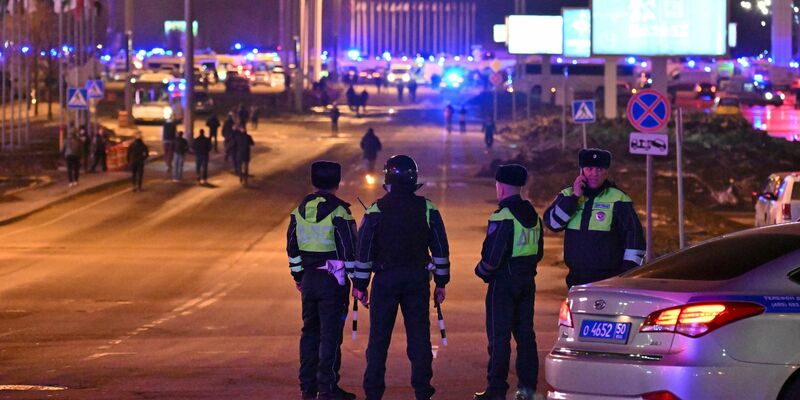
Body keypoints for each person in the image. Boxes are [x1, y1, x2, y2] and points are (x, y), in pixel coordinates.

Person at [352, 155, 450, 400]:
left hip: (385, 280)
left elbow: (363, 252)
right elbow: (440, 249)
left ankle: (373, 393)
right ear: (414, 179)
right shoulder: (428, 209)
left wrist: (360, 286)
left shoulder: (375, 210)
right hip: (417, 280)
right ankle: (422, 391)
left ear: (387, 181)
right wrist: (441, 282)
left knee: (378, 339)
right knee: (419, 338)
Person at [287, 161, 359, 400]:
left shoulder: (299, 211)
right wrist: (358, 283)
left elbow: (292, 249)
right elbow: (350, 251)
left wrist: (298, 277)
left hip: (308, 278)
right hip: (333, 278)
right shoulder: (340, 212)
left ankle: (307, 387)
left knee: (309, 332)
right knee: (330, 335)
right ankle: (327, 388)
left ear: (313, 181)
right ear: (337, 184)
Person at [473, 164, 543, 400]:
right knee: (525, 336)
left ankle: (496, 390)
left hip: (503, 285)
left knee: (499, 338)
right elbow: (539, 252)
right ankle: (527, 390)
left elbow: (492, 257)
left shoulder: (502, 216)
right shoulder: (533, 216)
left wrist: (481, 272)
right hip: (527, 282)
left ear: (501, 187)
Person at [543, 149, 646, 288]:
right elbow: (553, 224)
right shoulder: (567, 194)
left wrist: (626, 273)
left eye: (599, 169)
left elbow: (635, 238)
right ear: (582, 171)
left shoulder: (619, 198)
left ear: (606, 172)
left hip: (608, 279)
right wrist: (574, 197)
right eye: (589, 168)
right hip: (575, 278)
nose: (594, 174)